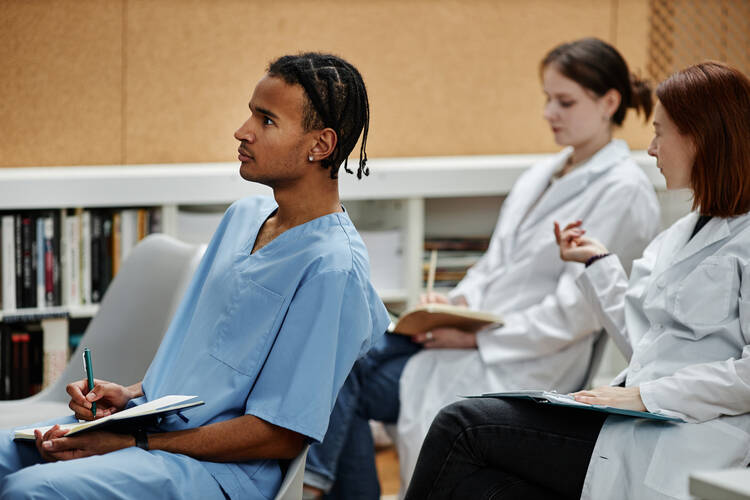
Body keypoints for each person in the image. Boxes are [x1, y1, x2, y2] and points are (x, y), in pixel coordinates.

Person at [0, 52, 390, 500]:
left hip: (220, 472)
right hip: (149, 432)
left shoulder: (333, 267)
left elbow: (282, 434)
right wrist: (126, 400)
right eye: (250, 113)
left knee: (31, 491)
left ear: (320, 146)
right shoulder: (244, 217)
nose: (242, 130)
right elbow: (209, 368)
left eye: (265, 120)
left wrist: (133, 440)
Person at [304, 37, 661, 499]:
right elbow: (493, 265)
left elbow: (575, 314)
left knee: (341, 378)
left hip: (519, 360)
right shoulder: (542, 174)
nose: (550, 112)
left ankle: (315, 487)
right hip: (468, 339)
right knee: (341, 352)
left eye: (564, 102)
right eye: (547, 99)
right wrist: (453, 304)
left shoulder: (624, 191)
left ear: (609, 102)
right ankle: (321, 487)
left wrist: (476, 336)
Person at [404, 60, 750, 500]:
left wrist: (649, 396)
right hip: (631, 422)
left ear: (701, 137)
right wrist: (598, 265)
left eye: (661, 132)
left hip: (685, 436)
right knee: (480, 485)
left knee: (461, 426)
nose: (650, 148)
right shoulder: (680, 234)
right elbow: (645, 345)